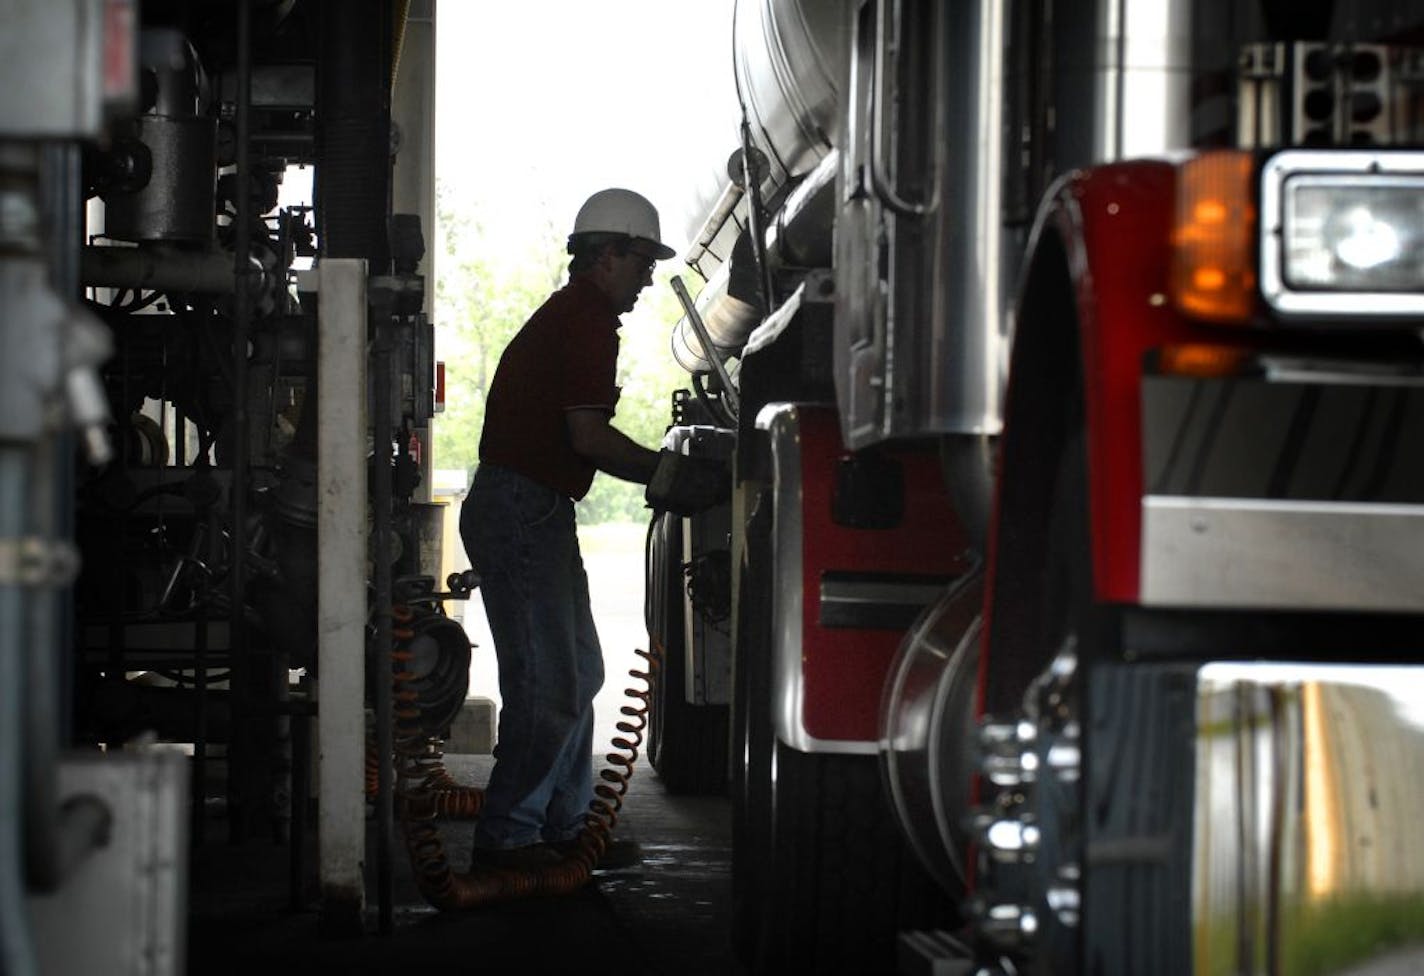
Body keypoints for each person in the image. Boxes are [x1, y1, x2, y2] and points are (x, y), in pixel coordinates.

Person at [459, 188, 676, 870]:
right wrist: (666, 474)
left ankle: (566, 825)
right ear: (607, 256)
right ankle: (509, 839)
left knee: (579, 671)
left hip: (536, 508)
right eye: (642, 261)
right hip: (524, 508)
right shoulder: (584, 320)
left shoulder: (576, 317)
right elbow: (588, 437)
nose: (648, 277)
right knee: (548, 685)